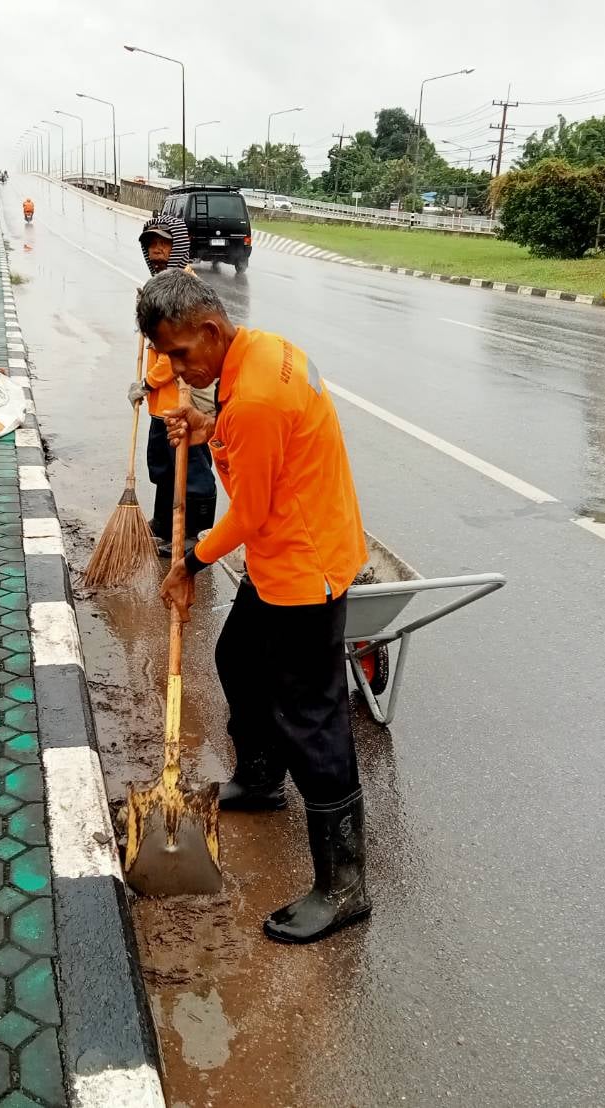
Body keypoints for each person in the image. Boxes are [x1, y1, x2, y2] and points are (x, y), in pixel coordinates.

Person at [141, 270, 370, 946]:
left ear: (211, 330)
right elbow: (261, 447)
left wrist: (188, 562)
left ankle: (345, 886)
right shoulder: (261, 353)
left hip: (303, 566)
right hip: (286, 551)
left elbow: (250, 511)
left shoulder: (257, 397)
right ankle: (263, 777)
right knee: (237, 656)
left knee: (312, 717)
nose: (175, 370)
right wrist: (208, 425)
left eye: (180, 354)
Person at [127, 216, 218, 553]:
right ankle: (164, 522)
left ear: (177, 246)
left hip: (186, 398)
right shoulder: (156, 289)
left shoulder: (186, 290)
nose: (157, 251)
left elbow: (174, 352)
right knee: (163, 466)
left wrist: (147, 383)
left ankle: (195, 532)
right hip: (162, 403)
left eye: (164, 244)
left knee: (191, 466)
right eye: (151, 245)